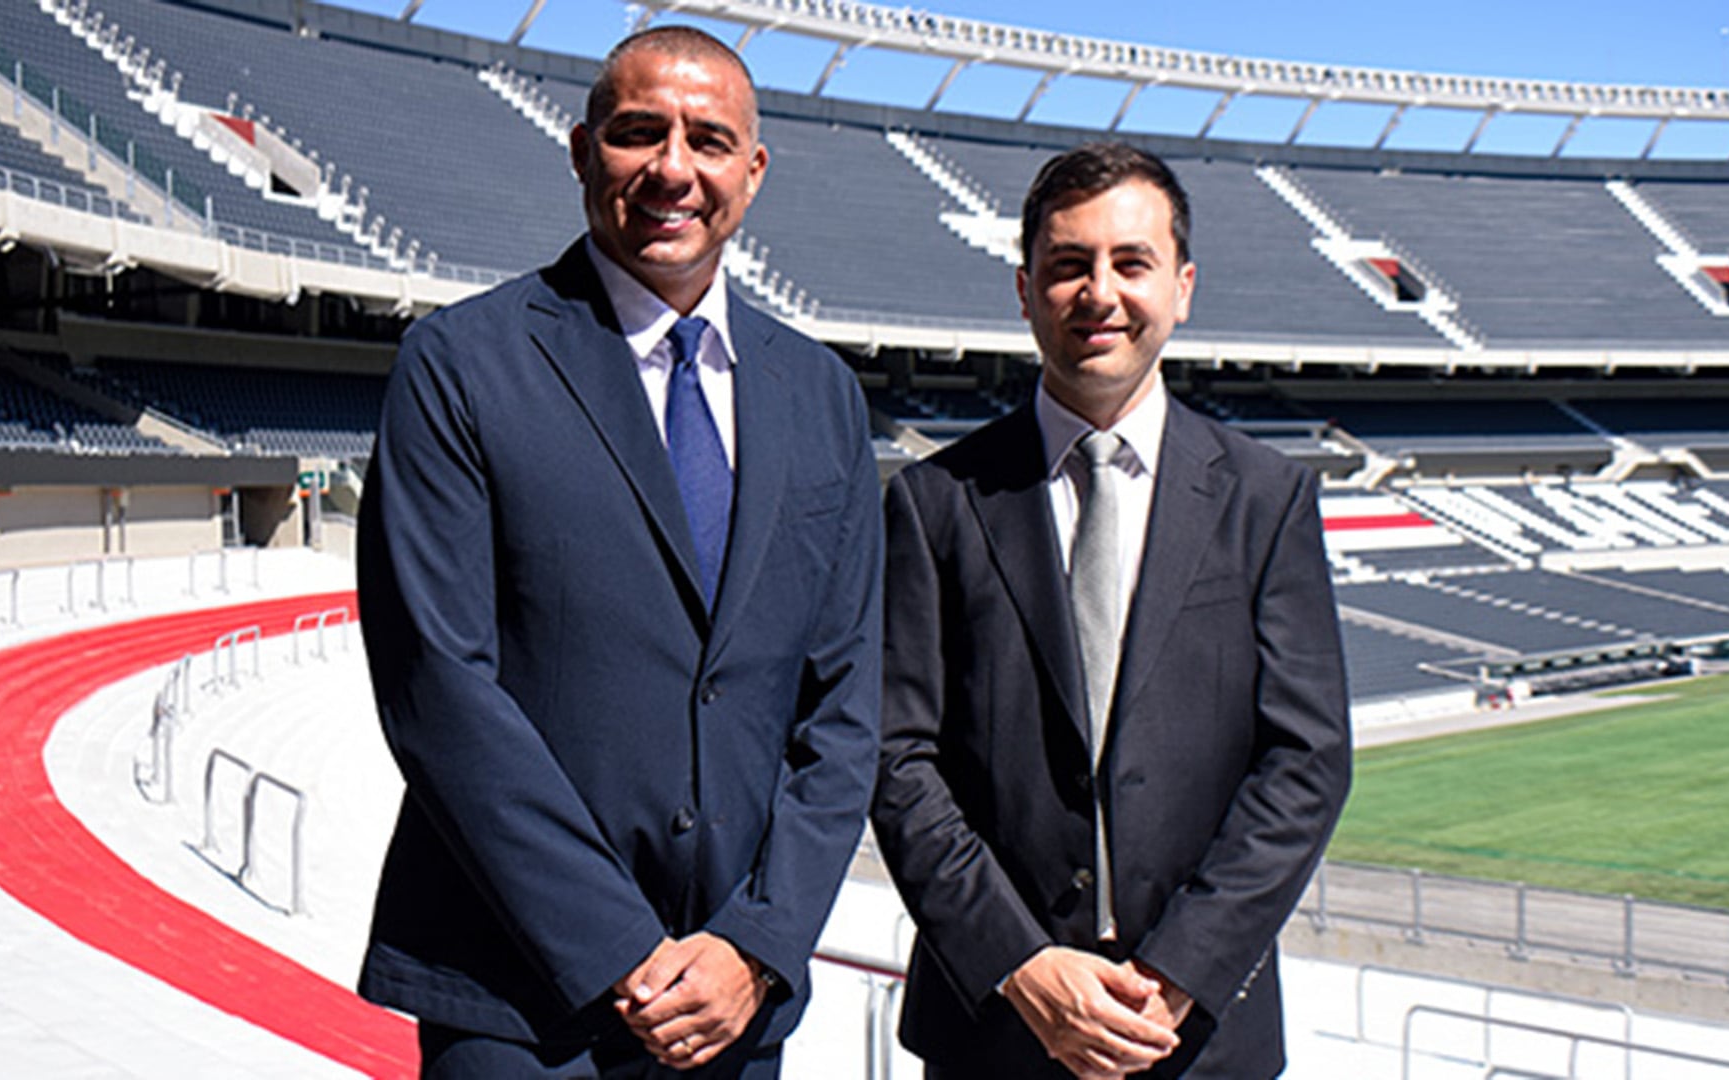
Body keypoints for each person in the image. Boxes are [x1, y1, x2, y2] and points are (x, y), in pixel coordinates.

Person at [355, 26, 882, 1078]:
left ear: (753, 170)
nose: (673, 169)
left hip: (733, 1004)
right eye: (639, 133)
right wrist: (622, 951)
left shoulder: (822, 394)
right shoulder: (460, 364)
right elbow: (438, 687)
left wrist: (757, 944)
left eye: (708, 141)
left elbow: (844, 708)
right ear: (582, 150)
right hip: (516, 1001)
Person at [871, 143, 1351, 1079]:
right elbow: (896, 757)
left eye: (1132, 263)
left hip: (1195, 1037)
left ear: (1182, 287)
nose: (1100, 292)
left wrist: (1181, 970)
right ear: (1025, 291)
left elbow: (1307, 760)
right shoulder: (935, 503)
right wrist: (1019, 962)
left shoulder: (1267, 499)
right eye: (1068, 264)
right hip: (994, 1031)